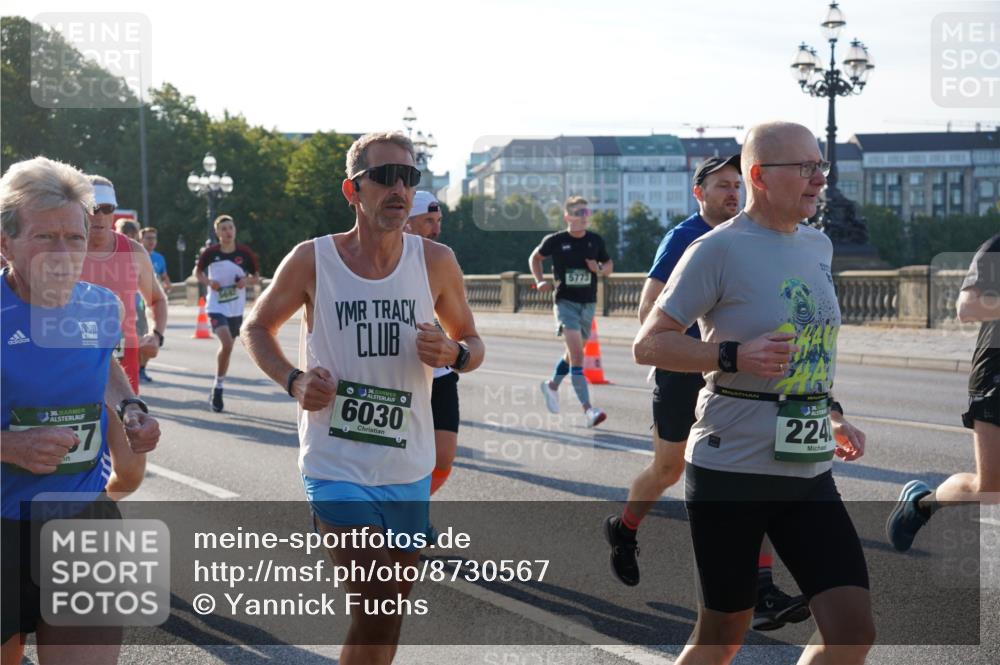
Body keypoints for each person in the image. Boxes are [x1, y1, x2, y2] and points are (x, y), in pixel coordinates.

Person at [633, 121, 874, 665]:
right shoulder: (715, 249)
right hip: (732, 467)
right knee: (723, 636)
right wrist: (732, 355)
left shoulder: (818, 244)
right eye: (806, 168)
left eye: (821, 166)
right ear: (760, 176)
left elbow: (808, 344)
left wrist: (831, 412)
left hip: (808, 468)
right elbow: (648, 345)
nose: (819, 179)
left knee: (852, 630)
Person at [243, 132, 483, 665]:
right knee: (375, 595)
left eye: (409, 177)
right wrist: (294, 380)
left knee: (385, 615)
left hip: (407, 464)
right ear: (353, 189)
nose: (399, 188)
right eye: (385, 177)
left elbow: (473, 342)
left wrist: (453, 353)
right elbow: (256, 328)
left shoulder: (436, 261)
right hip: (336, 461)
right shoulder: (313, 259)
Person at [604, 154, 809, 631]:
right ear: (699, 193)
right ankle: (625, 528)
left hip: (739, 379)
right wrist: (709, 350)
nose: (731, 193)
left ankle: (760, 589)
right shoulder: (683, 239)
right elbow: (647, 312)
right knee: (668, 469)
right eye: (721, 185)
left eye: (737, 184)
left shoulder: (753, 237)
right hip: (683, 373)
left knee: (748, 468)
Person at [1, 156, 160, 665]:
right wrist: (9, 445)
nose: (64, 253)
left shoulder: (100, 305)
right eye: (45, 238)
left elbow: (105, 365)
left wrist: (130, 407)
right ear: (6, 242)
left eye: (74, 237)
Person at [887, 232, 1000, 550]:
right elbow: (968, 307)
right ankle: (921, 504)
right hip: (995, 379)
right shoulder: (996, 247)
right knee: (991, 487)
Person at [530, 196, 613, 428]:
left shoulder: (595, 240)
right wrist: (540, 281)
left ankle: (552, 386)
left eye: (586, 212)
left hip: (588, 304)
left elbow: (608, 267)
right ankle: (589, 411)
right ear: (568, 217)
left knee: (571, 353)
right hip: (565, 302)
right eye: (579, 213)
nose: (584, 217)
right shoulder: (556, 240)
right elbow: (535, 258)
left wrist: (597, 268)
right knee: (577, 356)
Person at [81, 177, 167, 394]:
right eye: (91, 207)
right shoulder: (59, 250)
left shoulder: (134, 252)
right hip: (73, 355)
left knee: (126, 425)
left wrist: (156, 335)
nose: (98, 215)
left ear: (114, 211)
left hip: (123, 355)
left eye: (106, 208)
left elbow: (156, 300)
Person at [404, 191, 459, 497]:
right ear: (406, 223)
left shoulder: (441, 261)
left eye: (438, 221)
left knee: (443, 457)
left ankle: (414, 510)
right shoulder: (377, 261)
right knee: (393, 458)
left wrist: (459, 351)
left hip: (438, 372)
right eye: (428, 221)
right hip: (398, 374)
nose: (436, 229)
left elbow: (463, 327)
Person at [194, 215, 260, 412]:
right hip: (215, 306)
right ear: (217, 233)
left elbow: (256, 277)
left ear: (235, 230)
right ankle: (220, 388)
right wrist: (208, 283)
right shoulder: (210, 253)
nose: (228, 232)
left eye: (230, 227)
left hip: (235, 309)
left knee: (229, 348)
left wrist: (245, 282)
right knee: (227, 343)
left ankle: (217, 384)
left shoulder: (244, 253)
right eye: (223, 229)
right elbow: (197, 273)